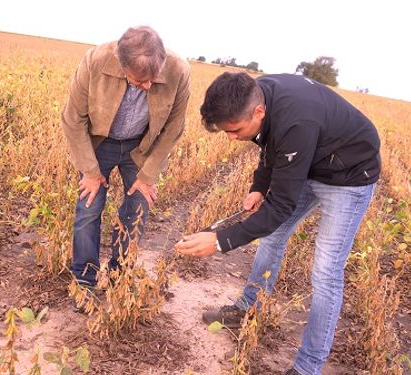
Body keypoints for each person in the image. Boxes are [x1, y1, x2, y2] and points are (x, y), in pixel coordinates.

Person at [175, 72, 380, 375]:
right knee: (271, 237)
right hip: (309, 162)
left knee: (326, 272)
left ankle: (307, 368)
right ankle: (247, 309)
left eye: (234, 130)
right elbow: (271, 145)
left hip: (349, 175)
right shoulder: (259, 92)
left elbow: (281, 204)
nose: (231, 138)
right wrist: (259, 185)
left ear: (258, 112)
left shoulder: (297, 121)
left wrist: (220, 241)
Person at [61, 26, 190, 292]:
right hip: (99, 142)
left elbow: (172, 129)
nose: (148, 87)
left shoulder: (179, 71)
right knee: (88, 207)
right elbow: (73, 119)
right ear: (121, 65)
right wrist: (90, 171)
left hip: (142, 147)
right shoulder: (95, 60)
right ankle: (85, 280)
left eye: (153, 80)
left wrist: (148, 175)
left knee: (137, 210)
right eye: (138, 82)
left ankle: (120, 275)